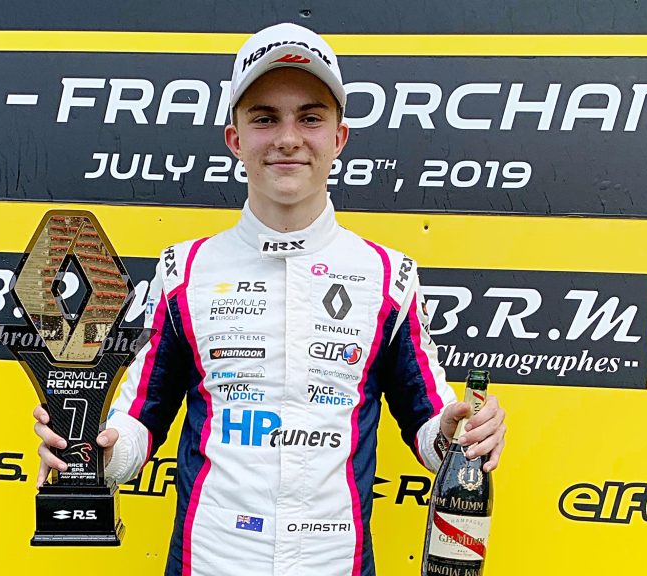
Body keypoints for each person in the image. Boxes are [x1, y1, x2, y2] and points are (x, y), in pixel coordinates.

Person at [33, 22, 507, 576]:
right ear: (235, 138)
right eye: (264, 118)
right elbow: (140, 421)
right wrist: (98, 455)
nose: (288, 138)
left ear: (339, 137)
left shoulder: (388, 275)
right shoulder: (183, 271)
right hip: (208, 562)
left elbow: (430, 423)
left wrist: (458, 435)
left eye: (310, 117)